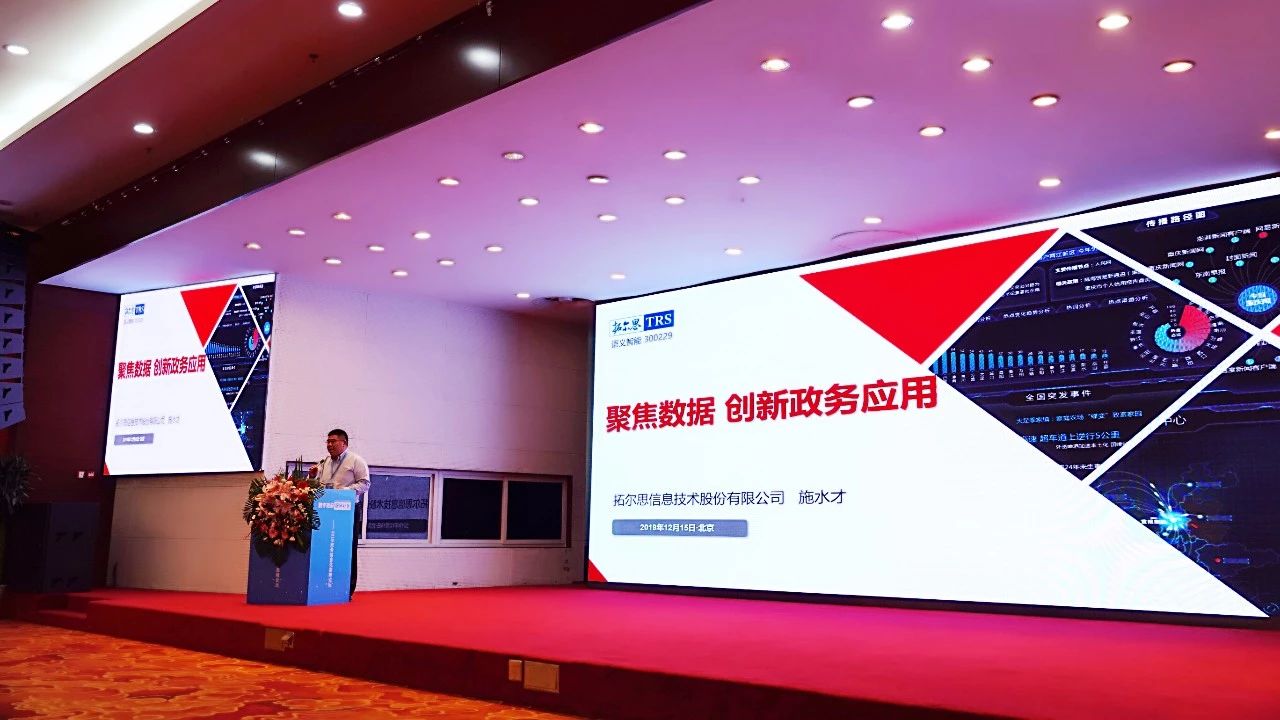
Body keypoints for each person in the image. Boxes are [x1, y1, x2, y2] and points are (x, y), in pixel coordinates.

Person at [309, 428, 370, 599]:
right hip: (326, 510)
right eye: (327, 441)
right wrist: (312, 476)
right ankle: (324, 585)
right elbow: (317, 485)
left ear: (344, 443)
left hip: (347, 511)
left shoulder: (356, 460)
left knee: (347, 549)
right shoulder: (324, 462)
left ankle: (347, 589)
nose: (329, 445)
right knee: (326, 547)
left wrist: (343, 492)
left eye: (333, 441)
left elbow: (365, 484)